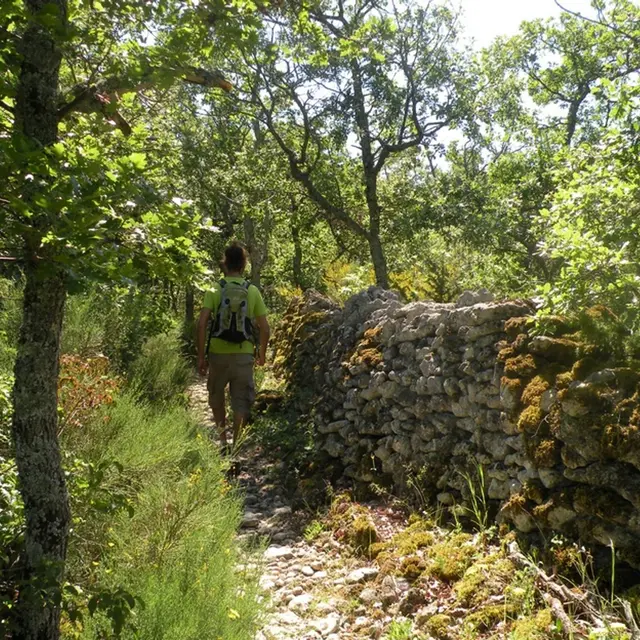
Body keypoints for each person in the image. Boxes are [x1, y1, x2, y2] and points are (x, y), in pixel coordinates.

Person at [197, 243, 270, 451]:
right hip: (244, 354)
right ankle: (236, 447)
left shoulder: (215, 288)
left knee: (216, 397)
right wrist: (261, 354)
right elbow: (265, 328)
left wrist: (201, 356)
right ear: (244, 264)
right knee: (241, 401)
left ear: (225, 263)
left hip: (217, 354)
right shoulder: (252, 290)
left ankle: (222, 441)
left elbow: (201, 324)